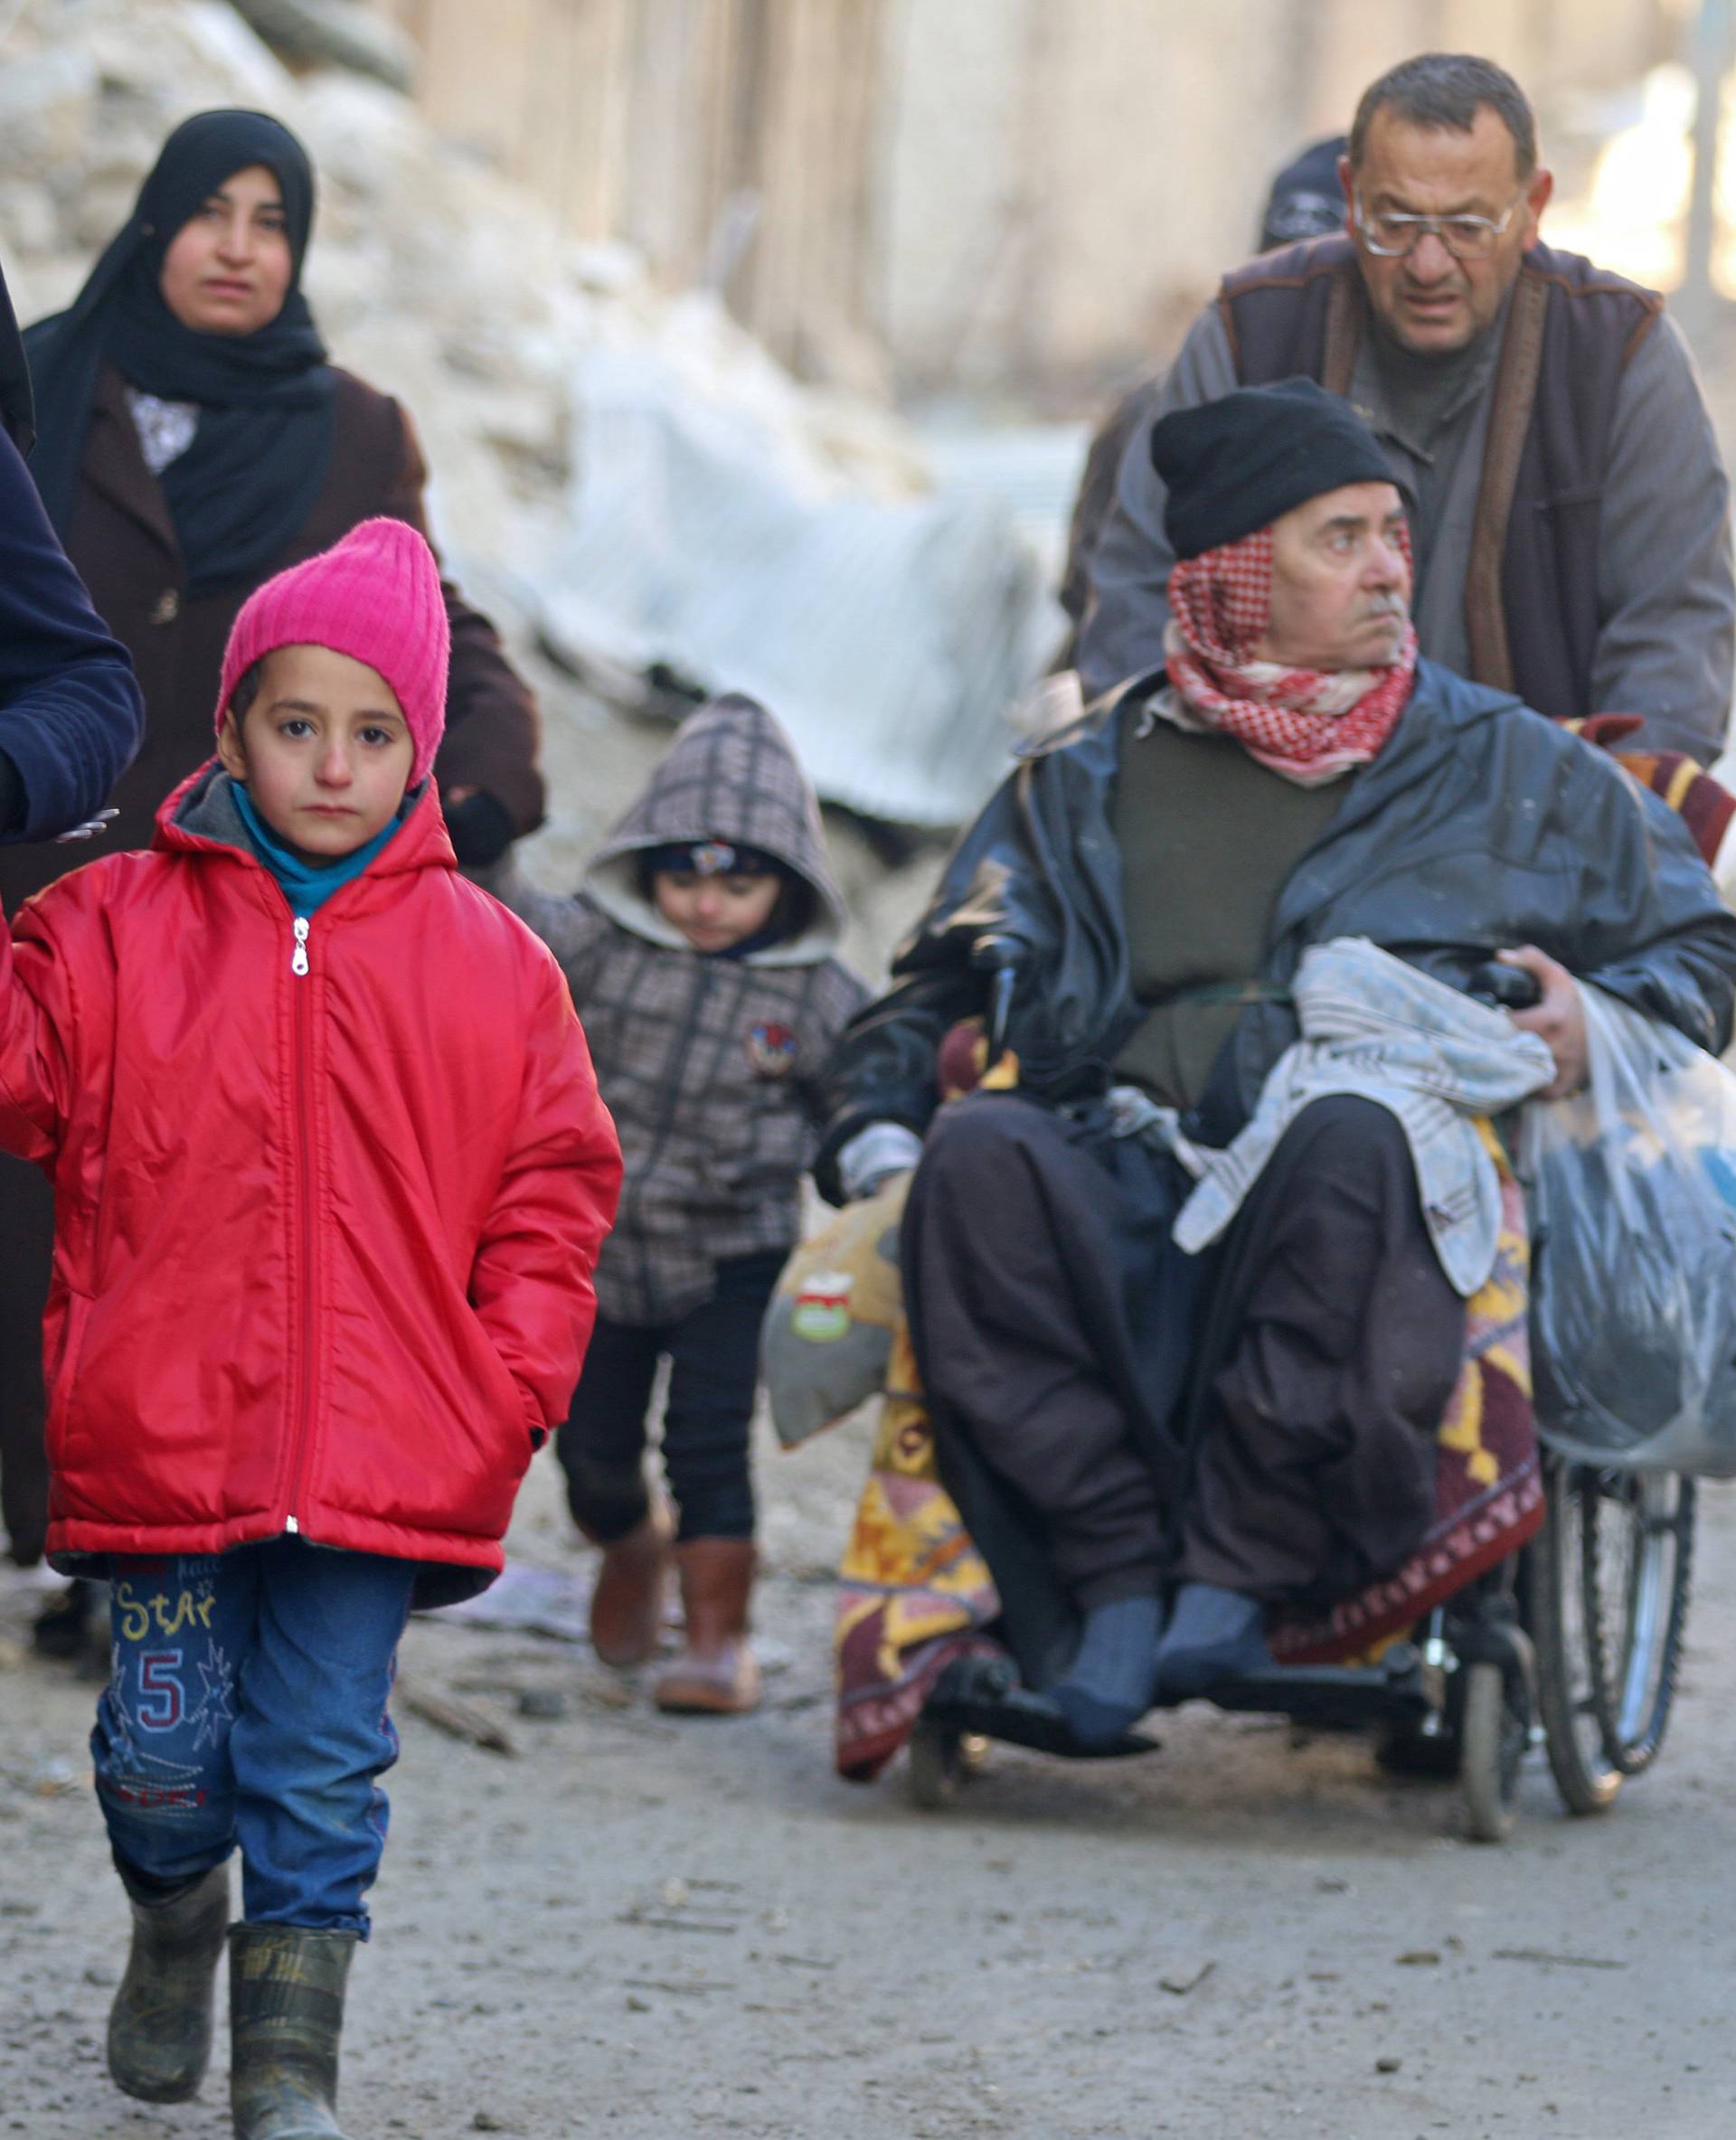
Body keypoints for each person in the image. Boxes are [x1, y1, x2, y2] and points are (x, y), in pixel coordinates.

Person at [815, 380, 1736, 1752]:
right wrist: (875, 1118)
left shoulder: (1504, 763)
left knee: (1362, 1132)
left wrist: (1590, 1023)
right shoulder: (1084, 774)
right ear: (1235, 576)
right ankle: (1117, 1584)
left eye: (1391, 533)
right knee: (980, 1159)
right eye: (1339, 537)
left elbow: (1699, 951)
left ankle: (1236, 1574)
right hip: (1131, 1157)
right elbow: (944, 971)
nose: (1385, 570)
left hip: (1353, 1178)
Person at [0, 517, 621, 2136]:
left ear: (418, 752)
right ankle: (170, 1913)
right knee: (158, 1757)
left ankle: (288, 2070)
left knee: (324, 1755)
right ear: (228, 729)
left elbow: (556, 1188)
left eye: (373, 733)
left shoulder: (495, 966)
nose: (332, 765)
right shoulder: (107, 927)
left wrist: (509, 1387)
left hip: (388, 1446)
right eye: (297, 725)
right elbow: (17, 1076)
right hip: (163, 1429)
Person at [4, 108, 543, 1621]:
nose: (239, 248)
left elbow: (427, 628)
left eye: (272, 221)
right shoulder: (40, 385)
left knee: (170, 1244)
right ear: (153, 222)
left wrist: (472, 803)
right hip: (41, 881)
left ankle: (130, 1553)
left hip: (225, 909)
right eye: (210, 212)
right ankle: (81, 1527)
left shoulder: (348, 428)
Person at [1072, 53, 1734, 764]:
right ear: (1350, 196)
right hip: (1276, 806)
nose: (1428, 264)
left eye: (1468, 227)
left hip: (1536, 820)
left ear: (1533, 209)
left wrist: (1600, 822)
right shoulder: (1252, 334)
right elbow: (1139, 600)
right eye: (1395, 222)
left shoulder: (1616, 356)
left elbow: (1673, 637)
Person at [486, 694, 867, 1712]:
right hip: (598, 1250)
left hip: (731, 1257)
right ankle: (632, 1544)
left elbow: (865, 1092)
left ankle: (716, 1638)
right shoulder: (603, 945)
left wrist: (865, 1150)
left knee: (708, 1441)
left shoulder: (818, 995)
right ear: (645, 864)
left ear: (784, 883)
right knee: (590, 1446)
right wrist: (484, 856)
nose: (708, 907)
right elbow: (504, 931)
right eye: (684, 879)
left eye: (739, 885)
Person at [1056, 135, 1348, 663]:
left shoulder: (1376, 414)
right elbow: (1097, 587)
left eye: (1318, 283)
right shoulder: (1164, 409)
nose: (1294, 305)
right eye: (1280, 273)